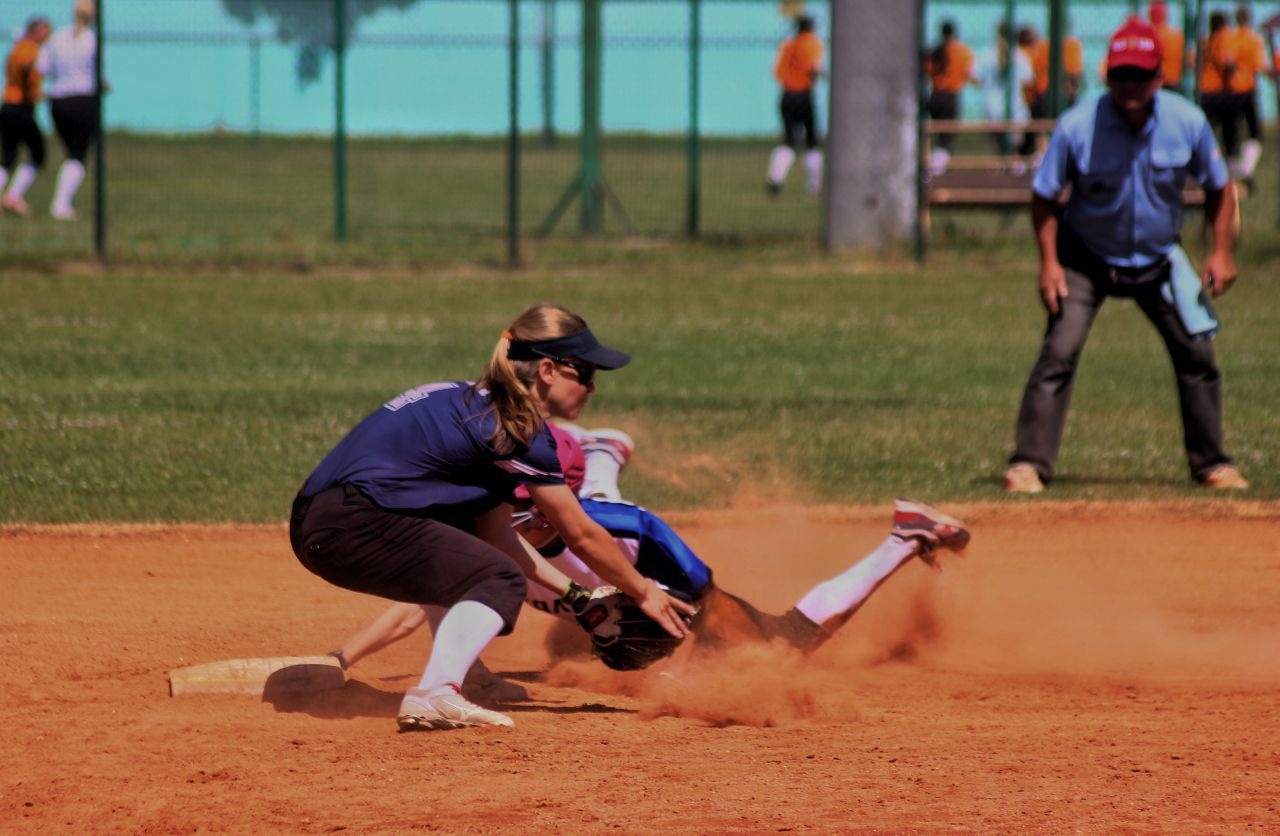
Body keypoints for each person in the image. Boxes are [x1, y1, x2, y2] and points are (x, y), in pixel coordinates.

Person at [289, 303, 694, 732]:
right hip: (350, 524)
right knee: (498, 579)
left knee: (465, 541)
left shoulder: (477, 405)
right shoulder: (520, 431)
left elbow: (497, 532)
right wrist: (642, 590)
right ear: (547, 371)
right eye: (586, 374)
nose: (592, 388)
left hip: (323, 523)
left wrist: (577, 596)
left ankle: (469, 677)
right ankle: (435, 694)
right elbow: (579, 533)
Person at [329, 424, 971, 690]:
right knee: (589, 548)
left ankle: (905, 536)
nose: (511, 511)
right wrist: (341, 661)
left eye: (528, 500)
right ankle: (602, 454)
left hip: (651, 562)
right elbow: (418, 603)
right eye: (510, 498)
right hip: (596, 534)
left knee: (783, 641)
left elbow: (694, 599)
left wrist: (687, 664)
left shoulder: (624, 536)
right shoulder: (485, 522)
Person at [1004, 19, 1247, 495]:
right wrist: (1049, 264)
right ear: (1108, 76)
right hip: (1085, 257)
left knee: (1197, 354)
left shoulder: (1188, 122)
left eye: (1141, 75)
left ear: (1160, 76)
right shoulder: (1078, 126)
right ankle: (1028, 464)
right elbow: (1044, 197)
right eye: (1122, 75)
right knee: (1059, 350)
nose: (1131, 86)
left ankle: (1212, 464)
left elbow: (1220, 188)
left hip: (1159, 258)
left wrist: (1221, 252)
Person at [38, 0, 101, 220]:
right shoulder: (93, 39)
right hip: (84, 99)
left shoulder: (57, 38)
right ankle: (61, 204)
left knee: (71, 153)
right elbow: (101, 75)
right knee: (77, 154)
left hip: (58, 100)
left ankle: (61, 203)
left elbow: (43, 68)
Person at [765, 14, 824, 197]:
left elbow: (778, 72)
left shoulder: (788, 46)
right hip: (804, 96)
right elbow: (813, 68)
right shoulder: (812, 43)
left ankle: (776, 178)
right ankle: (814, 185)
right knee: (812, 141)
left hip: (787, 95)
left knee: (788, 140)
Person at [1, 16, 52, 217]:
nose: (48, 35)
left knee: (8, 157)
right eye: (45, 30)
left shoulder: (15, 48)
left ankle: (10, 196)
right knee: (38, 154)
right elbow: (28, 69)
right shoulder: (30, 50)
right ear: (36, 31)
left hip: (7, 106)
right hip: (21, 108)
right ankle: (13, 196)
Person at [976, 21, 1035, 162]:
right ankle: (1013, 164)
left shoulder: (986, 54)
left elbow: (976, 78)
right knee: (1014, 150)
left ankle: (999, 167)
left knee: (997, 151)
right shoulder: (1020, 56)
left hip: (991, 106)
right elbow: (1029, 81)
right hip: (1015, 108)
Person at [924, 20, 977, 175]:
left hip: (935, 94)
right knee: (947, 135)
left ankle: (932, 162)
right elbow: (970, 74)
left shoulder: (935, 50)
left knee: (932, 131)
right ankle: (939, 166)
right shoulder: (962, 51)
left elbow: (927, 70)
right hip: (950, 97)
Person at [1226, 5, 1266, 184]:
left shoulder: (1230, 38)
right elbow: (1260, 65)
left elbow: (1226, 62)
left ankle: (1233, 169)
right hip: (1248, 89)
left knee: (1232, 132)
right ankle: (1246, 168)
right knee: (1254, 133)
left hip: (1231, 90)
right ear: (1248, 19)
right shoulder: (1254, 39)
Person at [1198, 11, 1238, 171]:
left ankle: (1205, 160)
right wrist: (1235, 69)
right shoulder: (1223, 37)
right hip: (1220, 91)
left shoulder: (1207, 40)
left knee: (1208, 131)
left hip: (1205, 90)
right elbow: (1226, 62)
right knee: (1229, 131)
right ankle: (1229, 165)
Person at [1147, 2, 1187, 92]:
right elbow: (1189, 61)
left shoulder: (1147, 35)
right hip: (1174, 81)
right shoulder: (1177, 35)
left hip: (1154, 82)